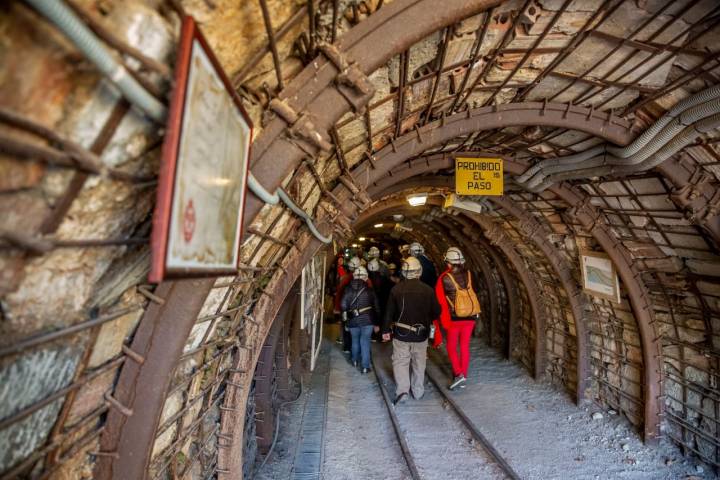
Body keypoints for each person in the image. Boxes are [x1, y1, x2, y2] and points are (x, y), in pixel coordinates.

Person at [383, 257, 441, 404]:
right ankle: (418, 391)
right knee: (419, 363)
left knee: (401, 362)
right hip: (421, 334)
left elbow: (388, 313)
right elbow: (436, 312)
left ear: (403, 272)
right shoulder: (428, 290)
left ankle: (403, 391)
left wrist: (385, 330)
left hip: (401, 334)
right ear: (419, 272)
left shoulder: (395, 290)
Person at [434, 247, 481, 390]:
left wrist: (442, 322)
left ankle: (459, 374)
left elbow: (440, 302)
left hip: (455, 319)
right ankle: (463, 375)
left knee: (451, 347)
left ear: (448, 262)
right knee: (465, 346)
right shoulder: (469, 273)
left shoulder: (444, 278)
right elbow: (476, 291)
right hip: (470, 316)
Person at [341, 266, 381, 373]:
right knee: (365, 342)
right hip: (367, 320)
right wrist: (377, 323)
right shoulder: (370, 291)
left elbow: (343, 305)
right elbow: (377, 308)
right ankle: (365, 366)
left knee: (354, 340)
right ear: (366, 277)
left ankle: (354, 360)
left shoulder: (347, 289)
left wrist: (345, 321)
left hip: (353, 320)